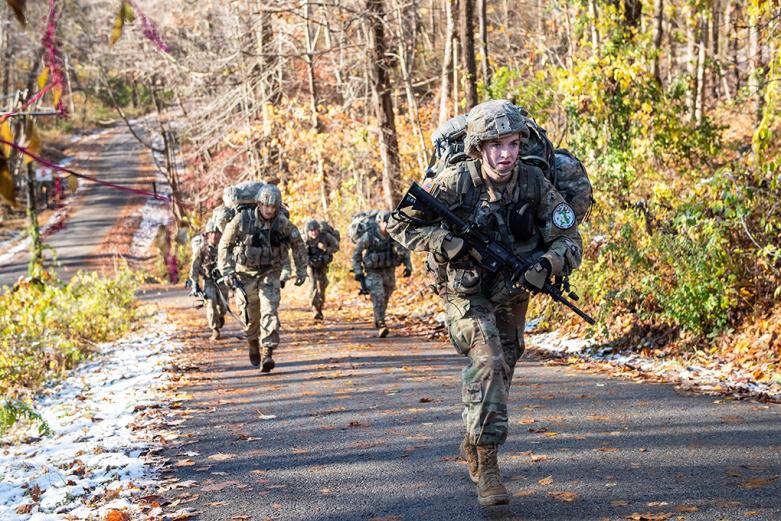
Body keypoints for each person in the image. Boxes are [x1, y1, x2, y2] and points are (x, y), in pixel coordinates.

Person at [387, 100, 582, 506]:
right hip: (465, 290)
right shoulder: (457, 181)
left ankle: (474, 439)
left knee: (502, 370)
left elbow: (570, 239)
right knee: (489, 361)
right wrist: (447, 242)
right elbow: (399, 222)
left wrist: (546, 264)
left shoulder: (534, 182)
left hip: (512, 291)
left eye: (512, 143)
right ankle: (489, 465)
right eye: (495, 145)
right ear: (478, 148)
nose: (506, 153)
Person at [217, 184, 307, 372]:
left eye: (273, 207)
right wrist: (227, 271)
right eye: (266, 205)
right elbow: (224, 245)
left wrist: (301, 270)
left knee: (269, 309)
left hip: (270, 272)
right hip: (244, 273)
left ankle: (267, 352)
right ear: (258, 204)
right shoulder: (242, 220)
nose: (269, 210)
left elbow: (297, 244)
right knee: (250, 314)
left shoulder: (281, 223)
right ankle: (252, 342)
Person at [352, 210, 412, 337]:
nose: (385, 224)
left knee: (386, 295)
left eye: (387, 222)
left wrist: (408, 266)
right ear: (379, 222)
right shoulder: (369, 236)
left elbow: (404, 251)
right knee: (378, 295)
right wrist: (358, 271)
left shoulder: (393, 235)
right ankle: (381, 323)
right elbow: (356, 254)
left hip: (389, 270)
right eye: (383, 222)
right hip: (373, 271)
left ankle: (379, 317)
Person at [187, 218, 228, 340]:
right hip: (208, 280)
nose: (215, 235)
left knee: (223, 305)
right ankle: (214, 329)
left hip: (222, 280)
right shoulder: (201, 249)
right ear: (208, 234)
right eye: (213, 233)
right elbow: (194, 267)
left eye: (218, 233)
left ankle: (220, 316)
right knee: (211, 303)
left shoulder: (225, 247)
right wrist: (194, 283)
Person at [304, 220, 338, 320]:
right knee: (313, 285)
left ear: (318, 230)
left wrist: (326, 249)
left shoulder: (325, 236)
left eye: (315, 230)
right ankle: (315, 309)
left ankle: (320, 306)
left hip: (322, 264)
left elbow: (336, 246)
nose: (313, 233)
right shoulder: (305, 239)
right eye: (311, 231)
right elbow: (298, 252)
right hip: (310, 265)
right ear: (308, 231)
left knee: (322, 286)